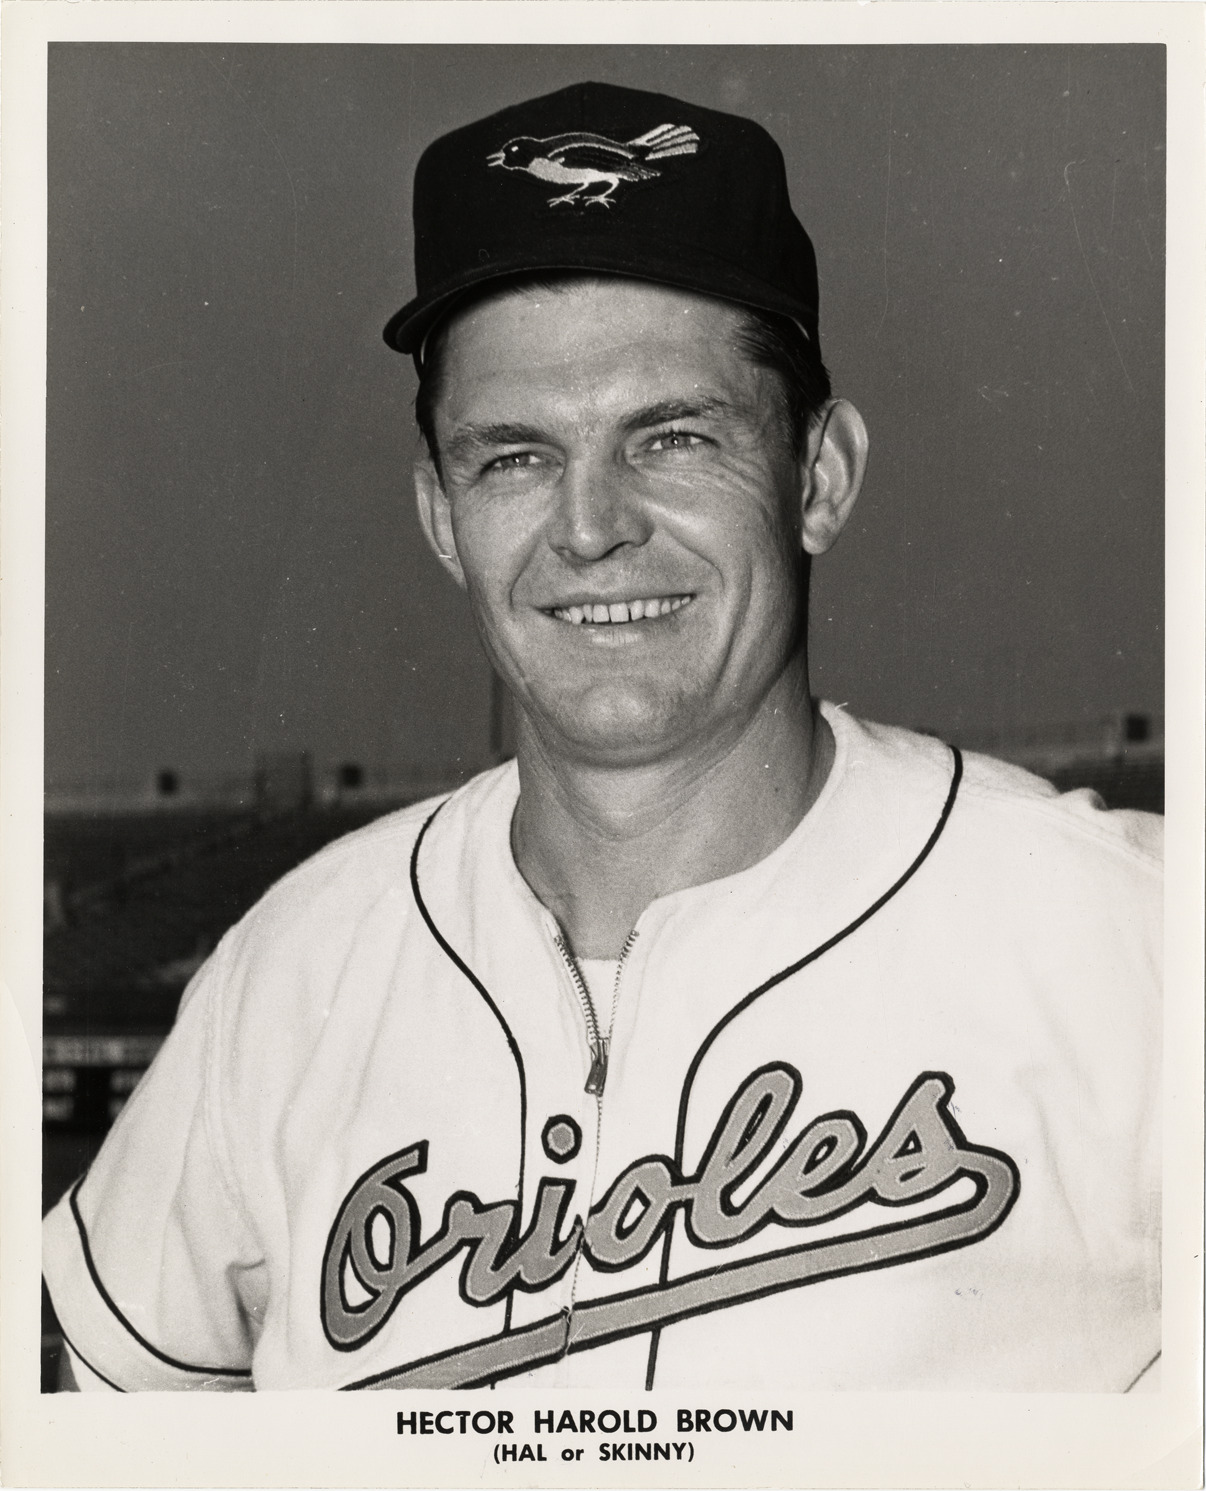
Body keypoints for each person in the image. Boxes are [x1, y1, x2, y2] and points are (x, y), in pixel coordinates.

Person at [44, 80, 1161, 1394]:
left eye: (671, 439)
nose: (589, 528)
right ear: (442, 517)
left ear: (819, 476)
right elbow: (92, 1422)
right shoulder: (292, 974)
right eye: (514, 457)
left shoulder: (1133, 943)